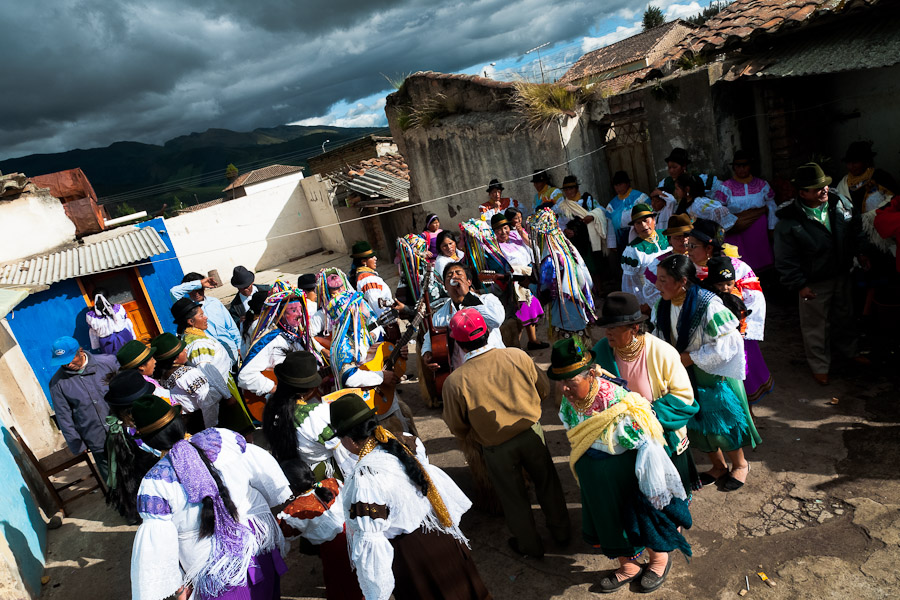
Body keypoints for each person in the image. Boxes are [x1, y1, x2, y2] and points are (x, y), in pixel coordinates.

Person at [548, 338, 691, 594]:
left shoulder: (621, 402)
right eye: (561, 382)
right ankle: (629, 566)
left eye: (571, 382)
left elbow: (643, 437)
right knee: (610, 523)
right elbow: (574, 432)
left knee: (642, 518)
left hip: (627, 477)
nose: (565, 389)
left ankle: (659, 559)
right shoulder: (570, 402)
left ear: (591, 374)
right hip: (596, 481)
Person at [129, 395, 292, 600]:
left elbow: (158, 547)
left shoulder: (155, 483)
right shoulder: (221, 438)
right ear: (180, 421)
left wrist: (179, 587)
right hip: (258, 550)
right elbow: (265, 479)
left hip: (217, 575)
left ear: (146, 441)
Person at [331, 393, 492, 600]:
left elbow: (370, 539)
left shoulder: (365, 477)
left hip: (413, 557)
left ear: (351, 441)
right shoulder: (407, 441)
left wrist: (375, 593)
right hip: (442, 537)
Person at [442, 309, 570, 559]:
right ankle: (562, 533)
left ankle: (530, 545)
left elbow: (457, 426)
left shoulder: (455, 382)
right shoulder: (517, 356)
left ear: (458, 343)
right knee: (548, 484)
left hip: (494, 447)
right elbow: (543, 389)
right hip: (532, 433)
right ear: (489, 332)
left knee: (513, 498)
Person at [652, 254, 761, 491]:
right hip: (682, 371)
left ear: (681, 281)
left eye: (662, 280)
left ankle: (740, 464)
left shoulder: (708, 305)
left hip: (711, 374)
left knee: (721, 420)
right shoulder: (662, 304)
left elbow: (731, 342)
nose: (657, 285)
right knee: (697, 422)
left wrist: (691, 358)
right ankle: (718, 466)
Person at [591, 292, 700, 495]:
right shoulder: (601, 351)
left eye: (613, 328)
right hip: (620, 438)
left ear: (633, 328)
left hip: (661, 436)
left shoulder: (663, 353)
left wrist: (645, 416)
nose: (607, 333)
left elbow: (685, 398)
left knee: (669, 501)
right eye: (606, 328)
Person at [774, 163, 870, 384]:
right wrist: (799, 285)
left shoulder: (840, 204)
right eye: (817, 189)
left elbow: (855, 230)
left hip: (841, 274)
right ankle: (819, 365)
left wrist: (862, 252)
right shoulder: (789, 223)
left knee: (845, 317)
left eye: (825, 186)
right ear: (802, 193)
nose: (824, 190)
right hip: (813, 282)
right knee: (815, 326)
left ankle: (851, 352)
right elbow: (785, 260)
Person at [687, 219, 773, 403]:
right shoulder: (687, 269)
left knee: (739, 380)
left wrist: (743, 334)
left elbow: (755, 301)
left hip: (736, 335)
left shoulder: (738, 268)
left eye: (693, 246)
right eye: (688, 245)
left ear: (709, 248)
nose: (689, 250)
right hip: (700, 338)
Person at [276, 459, 363, 600]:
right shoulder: (332, 483)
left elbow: (279, 534)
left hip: (334, 551)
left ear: (290, 486)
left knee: (342, 583)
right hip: (356, 535)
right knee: (362, 577)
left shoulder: (294, 511)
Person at [262, 351, 352, 479]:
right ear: (309, 390)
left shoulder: (271, 407)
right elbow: (344, 451)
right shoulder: (316, 414)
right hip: (322, 475)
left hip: (294, 474)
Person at [171, 298, 253, 433]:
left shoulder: (195, 337)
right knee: (240, 430)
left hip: (224, 386)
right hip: (222, 390)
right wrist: (227, 396)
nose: (206, 317)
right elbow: (208, 372)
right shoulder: (198, 344)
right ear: (191, 322)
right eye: (201, 315)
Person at [48, 336, 118, 480]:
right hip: (97, 439)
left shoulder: (108, 363)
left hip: (125, 431)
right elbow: (64, 417)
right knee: (114, 483)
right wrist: (77, 443)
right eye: (63, 362)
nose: (68, 365)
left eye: (70, 359)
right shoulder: (57, 384)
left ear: (80, 351)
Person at [239, 281, 322, 399]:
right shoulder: (270, 340)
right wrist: (275, 389)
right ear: (278, 314)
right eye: (293, 310)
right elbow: (245, 376)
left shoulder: (297, 334)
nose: (299, 314)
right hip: (285, 403)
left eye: (300, 309)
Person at [530, 208, 596, 348]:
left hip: (564, 309)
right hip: (579, 303)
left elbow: (545, 290)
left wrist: (529, 285)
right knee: (581, 343)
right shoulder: (569, 249)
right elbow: (587, 280)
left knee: (568, 347)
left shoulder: (550, 259)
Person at [422, 263, 505, 372]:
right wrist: (427, 352)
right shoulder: (440, 315)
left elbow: (496, 320)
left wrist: (467, 296)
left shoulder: (488, 300)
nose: (454, 276)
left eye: (458, 273)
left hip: (496, 364)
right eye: (449, 275)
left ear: (469, 282)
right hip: (466, 371)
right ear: (445, 286)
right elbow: (430, 338)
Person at [714, 151, 778, 272]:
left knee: (760, 258)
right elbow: (719, 209)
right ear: (734, 168)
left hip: (758, 229)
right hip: (736, 228)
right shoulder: (726, 187)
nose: (742, 169)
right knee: (740, 261)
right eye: (738, 166)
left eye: (745, 165)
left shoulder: (762, 185)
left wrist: (771, 227)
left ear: (750, 166)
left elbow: (771, 206)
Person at [492, 212, 547, 350]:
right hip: (515, 282)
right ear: (494, 232)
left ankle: (531, 341)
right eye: (499, 230)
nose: (503, 232)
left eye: (505, 228)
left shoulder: (516, 236)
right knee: (522, 312)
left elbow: (534, 249)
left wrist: (522, 234)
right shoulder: (495, 247)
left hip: (529, 276)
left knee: (529, 309)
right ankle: (520, 344)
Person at [153, 332, 225, 430]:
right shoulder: (188, 374)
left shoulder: (164, 377)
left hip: (187, 423)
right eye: (182, 350)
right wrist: (211, 427)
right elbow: (207, 399)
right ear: (174, 359)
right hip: (200, 421)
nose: (186, 350)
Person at [170, 273, 243, 363]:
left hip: (232, 351)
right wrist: (199, 283)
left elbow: (231, 327)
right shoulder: (187, 308)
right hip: (212, 357)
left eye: (199, 289)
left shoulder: (215, 302)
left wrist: (239, 347)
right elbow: (174, 292)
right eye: (193, 290)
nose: (196, 293)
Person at [621, 204, 670, 311]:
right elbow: (630, 281)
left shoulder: (667, 236)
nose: (643, 225)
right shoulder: (632, 250)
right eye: (638, 223)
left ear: (654, 220)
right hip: (653, 296)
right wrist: (642, 302)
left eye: (646, 220)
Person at [642, 213, 693, 309]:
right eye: (677, 237)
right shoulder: (658, 263)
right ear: (670, 240)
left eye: (686, 235)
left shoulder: (700, 257)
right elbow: (650, 292)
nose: (683, 240)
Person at [836, 141, 896, 216]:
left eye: (855, 162)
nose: (851, 166)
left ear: (866, 161)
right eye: (848, 163)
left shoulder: (880, 177)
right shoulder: (844, 183)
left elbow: (894, 201)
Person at [672, 172, 736, 231]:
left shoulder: (699, 203)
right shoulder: (684, 202)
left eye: (677, 189)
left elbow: (721, 212)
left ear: (687, 189)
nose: (676, 191)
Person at [606, 171, 649, 252]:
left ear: (627, 183)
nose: (618, 188)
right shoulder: (611, 205)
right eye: (616, 185)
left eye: (620, 184)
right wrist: (612, 244)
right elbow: (610, 225)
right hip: (621, 237)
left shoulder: (640, 198)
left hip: (639, 234)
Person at [349, 241, 393, 319]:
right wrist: (389, 322)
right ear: (364, 261)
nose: (375, 258)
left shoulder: (361, 275)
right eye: (372, 257)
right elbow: (377, 306)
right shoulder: (368, 279)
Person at [85, 289, 135, 354]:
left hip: (107, 343)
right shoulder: (119, 308)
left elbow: (93, 331)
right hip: (124, 337)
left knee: (115, 362)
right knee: (132, 356)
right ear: (108, 296)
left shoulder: (90, 316)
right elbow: (126, 322)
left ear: (93, 299)